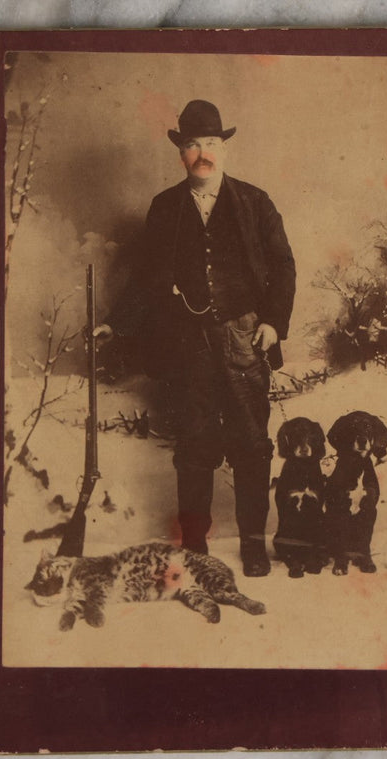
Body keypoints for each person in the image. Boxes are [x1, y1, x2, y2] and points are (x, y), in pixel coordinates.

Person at [96, 100, 296, 576]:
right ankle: (194, 546)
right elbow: (145, 277)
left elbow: (283, 266)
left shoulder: (255, 202)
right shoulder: (165, 207)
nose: (202, 153)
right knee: (193, 446)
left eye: (210, 143)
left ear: (223, 148)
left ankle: (252, 544)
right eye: (191, 145)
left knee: (252, 444)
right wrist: (116, 323)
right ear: (180, 152)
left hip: (246, 339)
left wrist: (273, 322)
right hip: (187, 344)